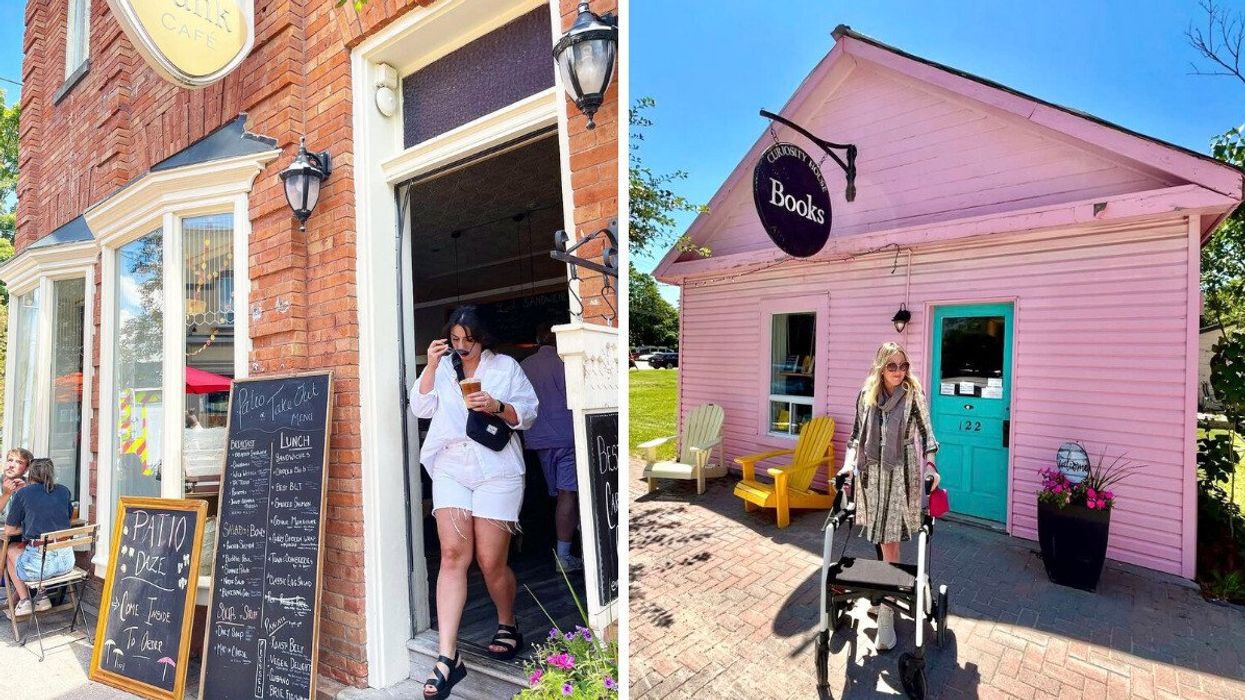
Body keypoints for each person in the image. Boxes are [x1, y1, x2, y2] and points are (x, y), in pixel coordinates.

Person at [411, 305, 539, 699]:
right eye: (455, 339)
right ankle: (448, 658)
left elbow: (528, 414)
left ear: (482, 337)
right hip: (450, 463)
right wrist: (431, 366)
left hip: (496, 466)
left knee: (489, 561)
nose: (461, 347)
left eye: (469, 339)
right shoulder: (445, 367)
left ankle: (508, 621)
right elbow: (420, 407)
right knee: (452, 555)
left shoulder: (505, 367)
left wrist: (496, 406)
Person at [838, 341, 940, 652]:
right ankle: (885, 591)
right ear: (881, 367)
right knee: (881, 539)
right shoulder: (866, 394)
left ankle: (886, 614)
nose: (899, 372)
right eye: (893, 366)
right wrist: (847, 466)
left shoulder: (912, 395)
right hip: (872, 477)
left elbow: (928, 435)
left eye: (904, 366)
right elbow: (856, 436)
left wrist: (932, 466)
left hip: (901, 475)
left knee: (890, 541)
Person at [520, 323, 581, 573]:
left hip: (535, 440)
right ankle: (565, 556)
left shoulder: (524, 366)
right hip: (567, 437)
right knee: (568, 495)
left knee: (556, 495)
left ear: (537, 339)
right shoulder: (566, 363)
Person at [4, 458, 74, 617]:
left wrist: (29, 522)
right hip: (67, 563)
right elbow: (67, 519)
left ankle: (24, 601)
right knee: (24, 550)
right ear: (52, 473)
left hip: (40, 567)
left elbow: (8, 531)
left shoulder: (23, 493)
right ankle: (41, 595)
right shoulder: (64, 491)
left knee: (11, 550)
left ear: (30, 474)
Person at [0, 448, 34, 523]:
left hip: (20, 533)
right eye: (10, 460)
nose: (11, 465)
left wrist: (25, 494)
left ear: (26, 469)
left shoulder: (32, 486)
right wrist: (6, 494)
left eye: (19, 462)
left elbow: (37, 516)